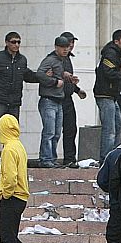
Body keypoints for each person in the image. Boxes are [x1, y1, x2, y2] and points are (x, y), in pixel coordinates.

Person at [0, 32, 41, 156]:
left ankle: (9, 156)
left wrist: (43, 77)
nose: (16, 45)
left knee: (12, 131)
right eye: (13, 42)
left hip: (14, 101)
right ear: (6, 43)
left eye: (18, 42)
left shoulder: (22, 60)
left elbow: (28, 75)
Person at [0, 114, 36, 243]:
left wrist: (5, 194)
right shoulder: (19, 146)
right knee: (11, 235)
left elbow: (11, 178)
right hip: (20, 198)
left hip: (12, 197)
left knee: (6, 238)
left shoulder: (9, 149)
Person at [94, 29, 121, 160]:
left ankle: (114, 157)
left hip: (112, 95)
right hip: (105, 94)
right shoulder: (110, 54)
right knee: (109, 129)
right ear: (116, 41)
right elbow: (108, 72)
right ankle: (106, 159)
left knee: (118, 127)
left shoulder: (119, 54)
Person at [36, 36, 70, 168]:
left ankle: (52, 158)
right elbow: (39, 74)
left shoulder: (62, 61)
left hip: (58, 100)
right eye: (62, 47)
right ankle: (45, 159)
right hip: (48, 99)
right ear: (56, 47)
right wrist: (54, 82)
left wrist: (66, 76)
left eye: (67, 47)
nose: (65, 50)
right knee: (49, 132)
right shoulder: (50, 60)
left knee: (56, 132)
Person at [59, 31, 86, 168]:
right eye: (68, 43)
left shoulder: (68, 58)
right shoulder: (56, 58)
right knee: (54, 131)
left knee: (71, 129)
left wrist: (77, 90)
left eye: (72, 43)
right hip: (57, 98)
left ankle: (70, 158)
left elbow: (69, 80)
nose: (70, 46)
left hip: (68, 97)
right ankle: (50, 158)